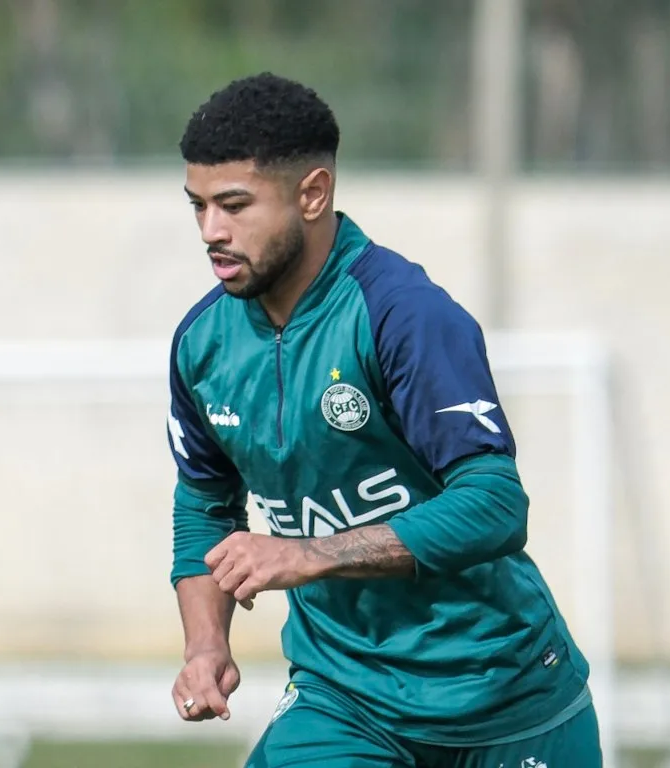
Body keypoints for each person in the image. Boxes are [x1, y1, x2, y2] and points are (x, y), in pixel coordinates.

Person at [164, 72, 603, 768]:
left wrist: (310, 554)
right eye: (198, 207)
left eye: (235, 205)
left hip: (507, 699)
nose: (211, 231)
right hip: (344, 701)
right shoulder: (202, 346)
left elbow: (494, 504)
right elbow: (204, 503)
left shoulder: (402, 314)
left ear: (313, 193)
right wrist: (206, 644)